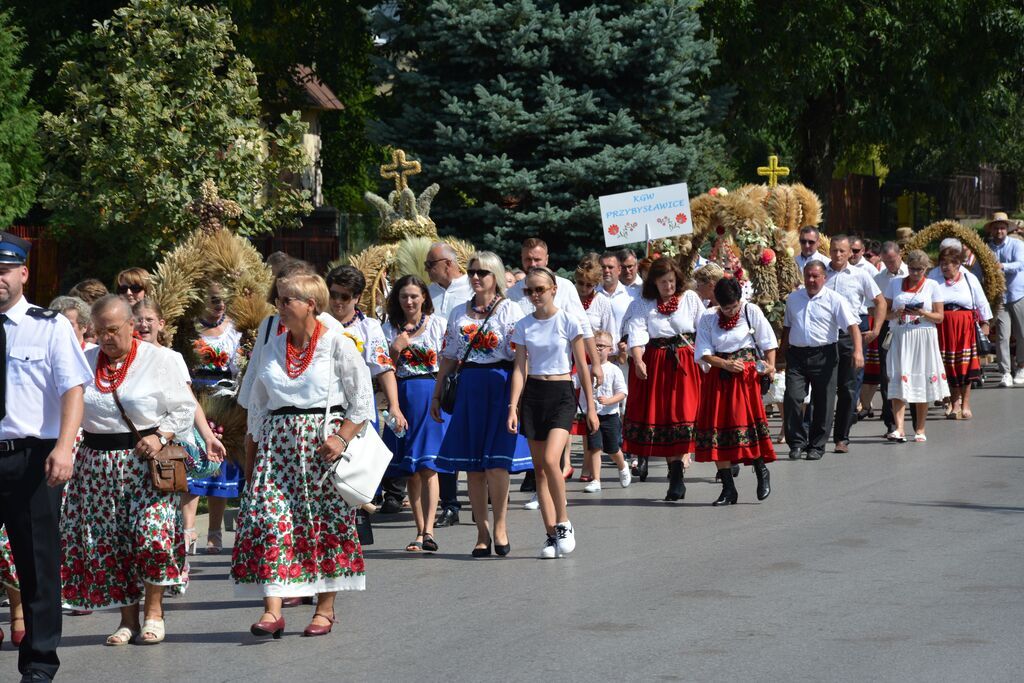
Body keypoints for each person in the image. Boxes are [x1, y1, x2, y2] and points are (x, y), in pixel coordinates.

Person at [234, 273, 373, 638]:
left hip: (321, 450)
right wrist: (251, 462)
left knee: (323, 527)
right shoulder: (270, 349)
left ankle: (325, 609)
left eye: (287, 301)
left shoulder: (338, 346)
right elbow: (257, 409)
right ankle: (272, 609)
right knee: (271, 523)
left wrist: (341, 439)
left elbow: (362, 401)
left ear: (311, 304)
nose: (279, 308)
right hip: (276, 450)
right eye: (278, 301)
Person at [61, 295, 196, 646]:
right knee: (110, 545)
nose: (106, 338)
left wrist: (161, 434)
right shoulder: (84, 360)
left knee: (152, 537)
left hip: (144, 464)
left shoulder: (160, 360)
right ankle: (126, 619)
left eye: (113, 330)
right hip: (97, 465)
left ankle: (154, 611)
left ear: (131, 326)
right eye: (99, 331)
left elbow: (184, 409)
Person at [0, 232, 90, 682]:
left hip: (32, 457)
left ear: (23, 273)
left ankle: (38, 663)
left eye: (4, 269)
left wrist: (63, 447)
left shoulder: (48, 325)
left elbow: (73, 389)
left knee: (37, 565)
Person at [431, 252, 532, 557]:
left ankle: (500, 526)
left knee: (497, 465)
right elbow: (448, 356)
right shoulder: (459, 313)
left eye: (483, 273)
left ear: (496, 277)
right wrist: (437, 395)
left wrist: (514, 404)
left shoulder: (510, 311)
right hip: (469, 388)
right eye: (472, 272)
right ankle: (482, 531)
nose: (476, 277)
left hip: (499, 387)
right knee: (473, 468)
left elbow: (519, 362)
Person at [508, 267, 598, 558]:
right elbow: (520, 368)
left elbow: (582, 367)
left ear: (553, 289)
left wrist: (592, 407)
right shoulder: (523, 325)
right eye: (529, 291)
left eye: (540, 290)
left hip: (561, 394)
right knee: (540, 472)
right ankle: (549, 535)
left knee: (551, 460)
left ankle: (563, 522)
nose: (535, 295)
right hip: (533, 396)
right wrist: (513, 406)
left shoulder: (568, 321)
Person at [324, 266, 406, 514]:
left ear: (357, 298)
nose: (337, 301)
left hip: (356, 404)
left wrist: (394, 405)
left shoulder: (368, 327)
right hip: (323, 403)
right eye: (333, 294)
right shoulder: (317, 323)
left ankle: (356, 519)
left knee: (353, 468)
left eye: (345, 296)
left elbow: (384, 368)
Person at [623, 258, 706, 500]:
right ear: (654, 283)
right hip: (657, 362)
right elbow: (637, 333)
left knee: (684, 415)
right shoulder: (644, 303)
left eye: (671, 281)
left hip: (685, 362)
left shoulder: (689, 299)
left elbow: (705, 328)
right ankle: (676, 474)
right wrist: (638, 360)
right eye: (663, 282)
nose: (668, 286)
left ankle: (682, 472)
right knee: (666, 419)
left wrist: (708, 358)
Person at [382, 276, 450, 553]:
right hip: (402, 396)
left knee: (428, 466)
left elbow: (449, 360)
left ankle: (430, 530)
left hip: (431, 393)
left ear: (424, 297)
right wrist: (395, 350)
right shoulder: (388, 328)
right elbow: (383, 368)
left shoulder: (438, 325)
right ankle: (419, 530)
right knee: (411, 470)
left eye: (414, 296)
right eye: (403, 297)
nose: (409, 302)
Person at [695, 278, 778, 505]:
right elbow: (702, 352)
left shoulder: (751, 311)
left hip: (745, 379)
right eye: (726, 308)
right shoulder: (709, 318)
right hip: (720, 379)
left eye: (733, 307)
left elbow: (769, 342)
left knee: (748, 429)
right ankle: (728, 489)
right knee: (718, 434)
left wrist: (769, 367)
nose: (730, 312)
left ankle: (761, 470)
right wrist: (725, 364)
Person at [181, 284, 243, 554]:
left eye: (224, 300)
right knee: (194, 463)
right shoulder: (188, 329)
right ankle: (188, 529)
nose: (220, 305)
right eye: (214, 300)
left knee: (221, 468)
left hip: (226, 401)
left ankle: (215, 531)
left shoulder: (235, 330)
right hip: (196, 399)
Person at [781, 262, 861, 461]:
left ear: (824, 278)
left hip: (824, 355)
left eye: (815, 276)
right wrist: (780, 355)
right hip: (797, 355)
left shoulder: (835, 299)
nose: (811, 280)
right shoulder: (793, 298)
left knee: (823, 401)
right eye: (808, 276)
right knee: (792, 397)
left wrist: (858, 351)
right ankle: (797, 443)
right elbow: (787, 327)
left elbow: (852, 327)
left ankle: (816, 445)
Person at [825, 235, 886, 453]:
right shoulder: (822, 273)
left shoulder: (861, 275)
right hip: (826, 334)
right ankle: (816, 437)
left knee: (848, 388)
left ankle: (842, 437)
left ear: (851, 252)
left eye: (842, 251)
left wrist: (876, 330)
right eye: (834, 250)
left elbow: (880, 302)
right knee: (822, 388)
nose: (838, 255)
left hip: (853, 333)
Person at [883, 250, 950, 441]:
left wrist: (922, 313)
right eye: (912, 269)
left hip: (923, 336)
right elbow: (884, 311)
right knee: (898, 378)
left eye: (919, 270)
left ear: (926, 269)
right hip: (900, 334)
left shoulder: (932, 285)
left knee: (921, 379)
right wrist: (896, 313)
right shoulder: (895, 283)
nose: (915, 273)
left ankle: (920, 429)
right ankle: (899, 428)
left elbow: (940, 317)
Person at [930, 247, 991, 420]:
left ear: (957, 265)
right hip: (944, 327)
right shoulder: (934, 280)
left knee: (964, 366)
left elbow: (981, 302)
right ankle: (955, 403)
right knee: (949, 365)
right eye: (941, 264)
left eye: (947, 265)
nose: (943, 268)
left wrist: (985, 324)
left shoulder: (969, 279)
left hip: (965, 327)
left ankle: (966, 404)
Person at [578, 330, 630, 493]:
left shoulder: (614, 370)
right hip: (591, 416)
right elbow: (573, 383)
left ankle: (622, 466)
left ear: (610, 349)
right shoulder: (584, 369)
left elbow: (622, 392)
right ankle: (596, 480)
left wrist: (609, 400)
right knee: (594, 447)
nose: (598, 349)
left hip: (610, 415)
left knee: (612, 448)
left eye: (602, 346)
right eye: (595, 346)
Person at [866, 242, 909, 434]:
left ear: (900, 255)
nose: (890, 265)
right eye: (886, 262)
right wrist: (888, 315)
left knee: (910, 371)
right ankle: (891, 422)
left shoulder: (912, 273)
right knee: (887, 373)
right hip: (888, 329)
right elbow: (869, 307)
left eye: (892, 260)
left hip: (911, 328)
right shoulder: (878, 278)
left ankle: (916, 423)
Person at [984, 212, 1024, 387]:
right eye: (996, 227)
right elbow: (980, 269)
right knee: (1002, 336)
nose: (999, 230)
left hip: (1017, 294)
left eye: (1002, 227)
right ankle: (1005, 372)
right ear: (991, 230)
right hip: (998, 298)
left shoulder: (1016, 244)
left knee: (1022, 333)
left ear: (1007, 229)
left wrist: (1002, 266)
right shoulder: (986, 248)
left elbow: (1020, 264)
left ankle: (1022, 366)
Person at [575, 253, 617, 343]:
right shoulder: (568, 295)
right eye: (580, 283)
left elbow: (610, 333)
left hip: (593, 352)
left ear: (596, 284)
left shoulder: (602, 301)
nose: (583, 288)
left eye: (589, 285)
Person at [425, 242, 473, 319]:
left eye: (429, 264)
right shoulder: (427, 292)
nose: (426, 269)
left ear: (448, 263)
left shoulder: (472, 288)